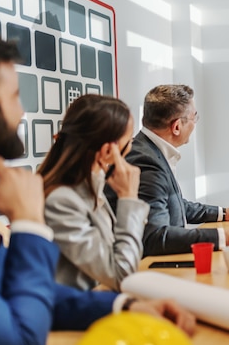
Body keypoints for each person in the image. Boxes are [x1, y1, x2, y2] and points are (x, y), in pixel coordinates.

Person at [0, 31, 195, 345]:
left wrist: (123, 306)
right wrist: (28, 223)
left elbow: (18, 289)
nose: (21, 111)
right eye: (14, 96)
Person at [107, 84, 229, 256]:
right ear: (176, 126)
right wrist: (226, 236)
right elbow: (157, 237)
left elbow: (173, 203)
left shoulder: (149, 149)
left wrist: (223, 213)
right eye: (194, 117)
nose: (195, 123)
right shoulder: (146, 162)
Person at [39, 94, 149, 292]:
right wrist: (129, 198)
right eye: (129, 139)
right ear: (108, 151)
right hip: (75, 316)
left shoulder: (91, 187)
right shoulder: (62, 201)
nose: (132, 146)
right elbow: (121, 275)